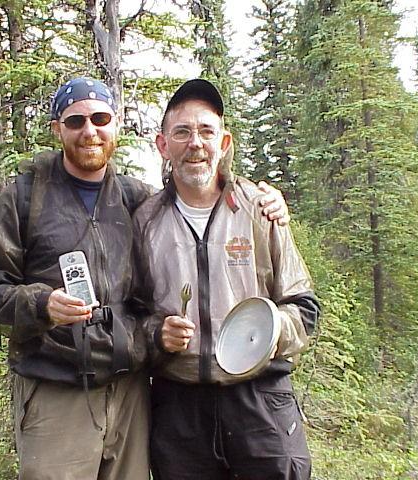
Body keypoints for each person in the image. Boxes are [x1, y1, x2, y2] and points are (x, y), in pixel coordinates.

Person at [0, 77, 290, 480]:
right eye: (75, 121)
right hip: (57, 388)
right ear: (57, 129)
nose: (90, 131)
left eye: (100, 119)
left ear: (116, 125)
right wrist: (41, 305)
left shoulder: (138, 200)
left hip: (130, 390)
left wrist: (262, 200)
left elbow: (191, 219)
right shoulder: (23, 199)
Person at [133, 79, 321, 480]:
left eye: (206, 131)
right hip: (178, 407)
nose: (195, 143)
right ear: (163, 145)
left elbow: (304, 308)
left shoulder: (259, 209)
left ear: (224, 141)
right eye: (182, 132)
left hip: (260, 400)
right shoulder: (145, 222)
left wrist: (264, 333)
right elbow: (131, 312)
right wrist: (156, 334)